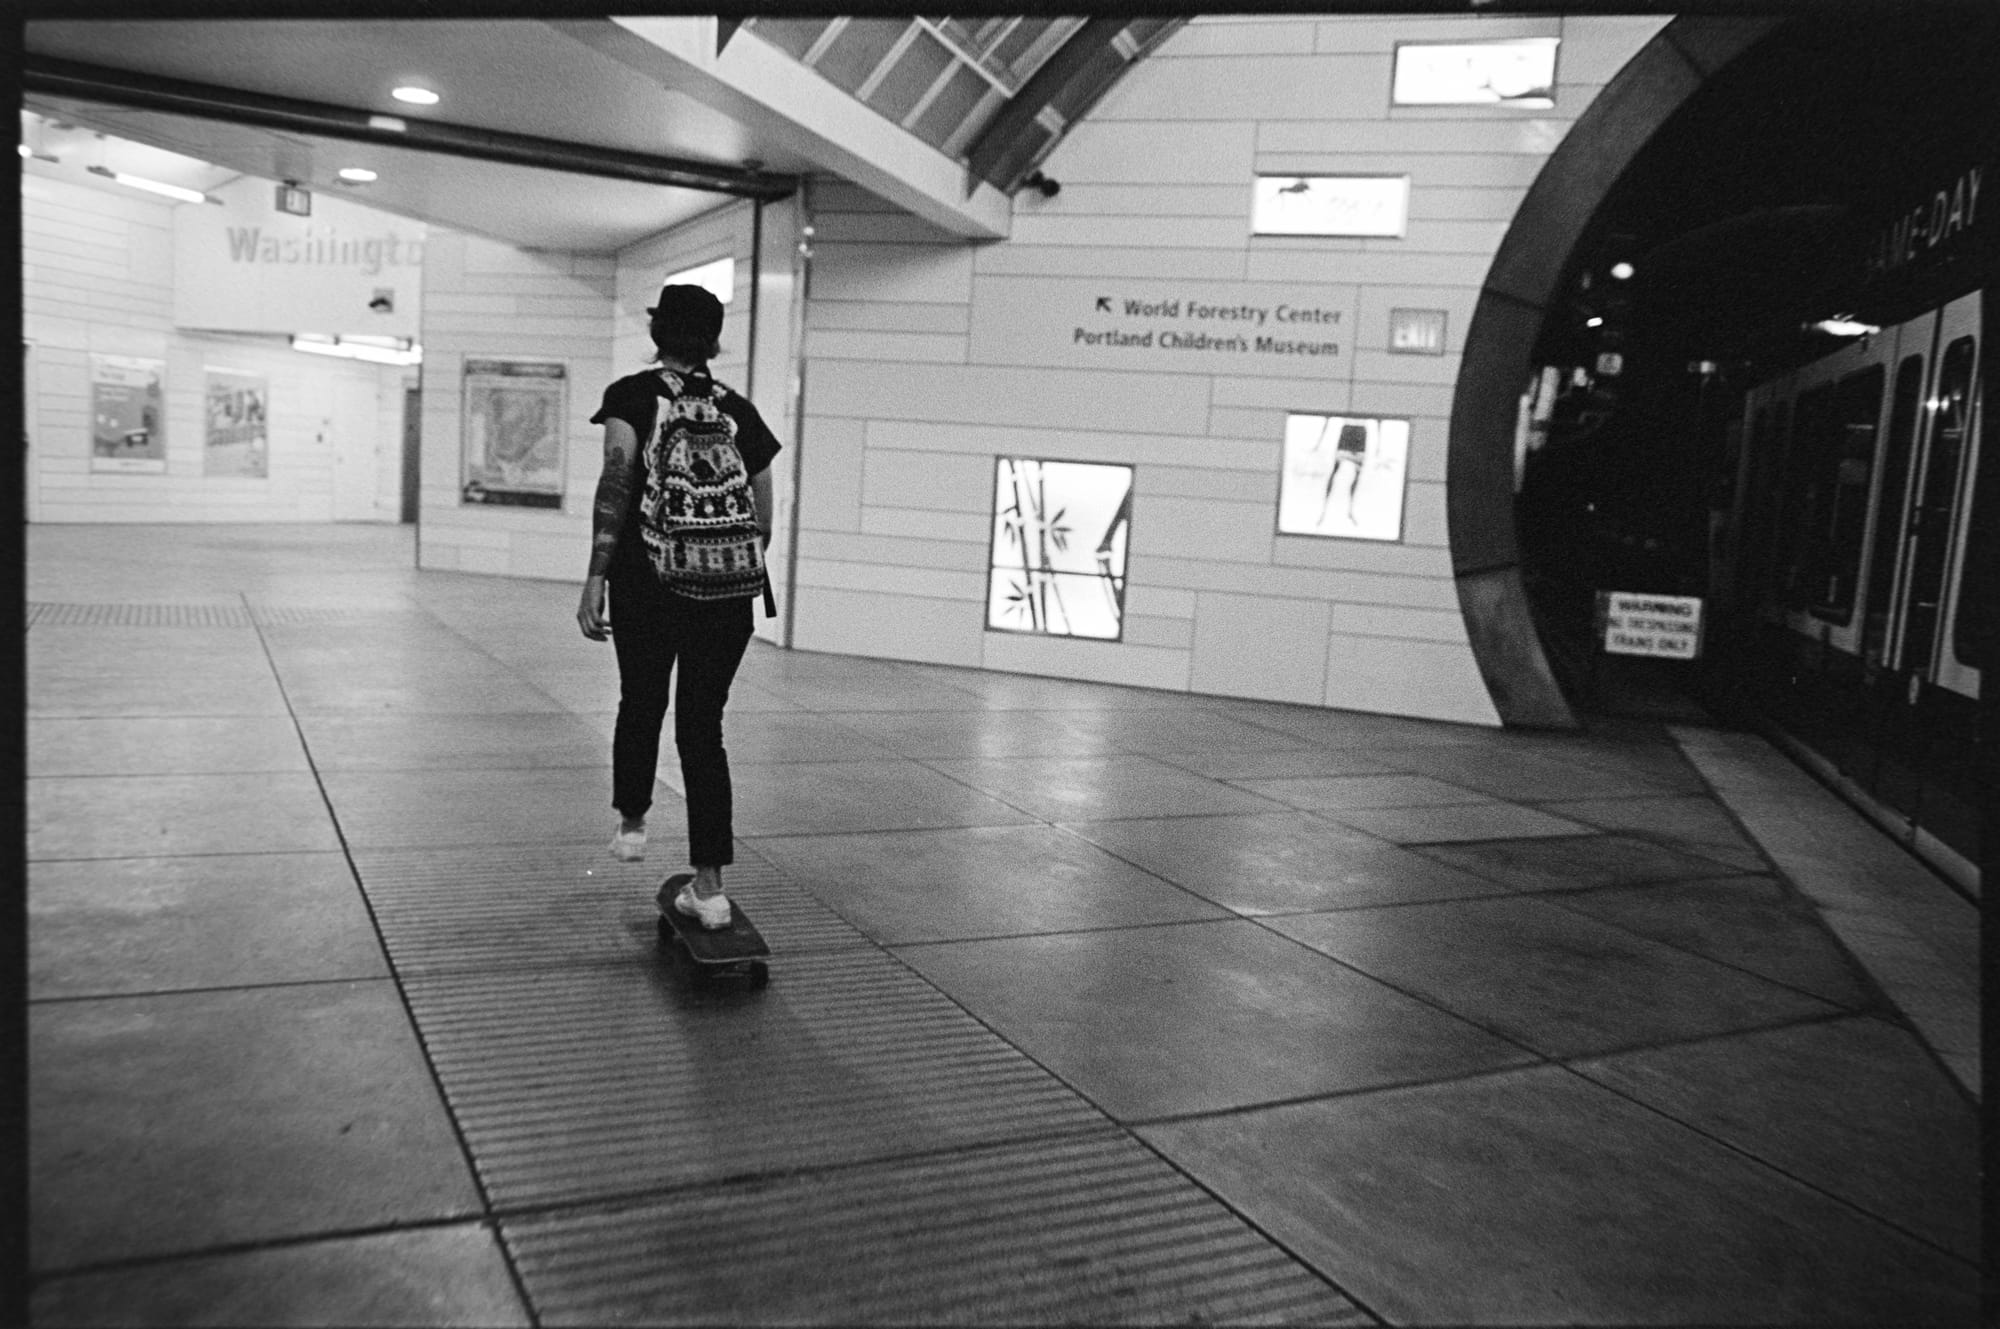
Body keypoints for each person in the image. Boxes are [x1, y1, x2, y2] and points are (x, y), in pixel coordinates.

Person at [576, 283, 781, 929]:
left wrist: (596, 575)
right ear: (715, 342)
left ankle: (633, 825)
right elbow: (765, 522)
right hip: (726, 597)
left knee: (642, 699)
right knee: (703, 729)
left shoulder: (631, 397)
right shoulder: (740, 412)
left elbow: (616, 482)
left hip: (647, 583)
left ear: (657, 333)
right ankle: (711, 887)